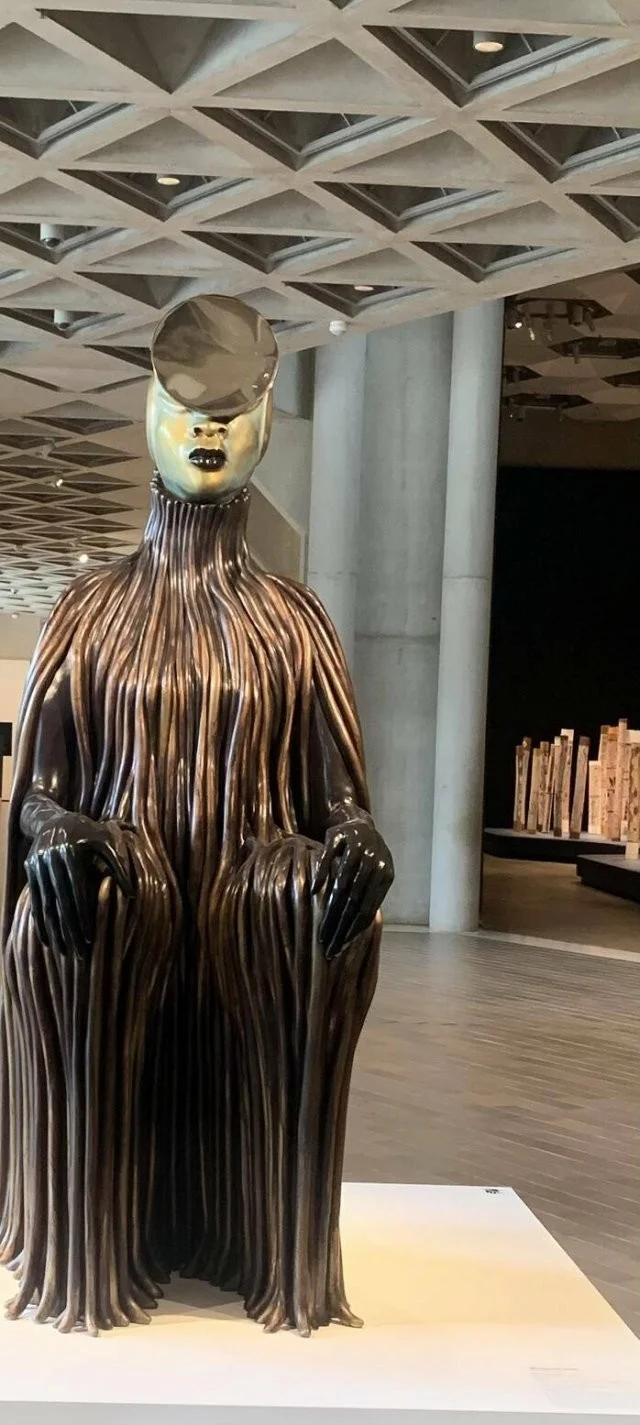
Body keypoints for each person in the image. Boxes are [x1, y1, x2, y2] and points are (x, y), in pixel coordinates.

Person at [0, 295, 393, 1335]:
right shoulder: (88, 610)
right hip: (123, 912)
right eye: (187, 411)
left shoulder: (293, 621)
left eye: (231, 412)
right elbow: (39, 792)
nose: (207, 431)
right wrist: (52, 831)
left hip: (243, 920)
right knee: (84, 902)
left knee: (304, 896)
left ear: (263, 423)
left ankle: (263, 1247)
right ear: (148, 412)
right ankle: (93, 1245)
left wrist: (354, 836)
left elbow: (337, 796)